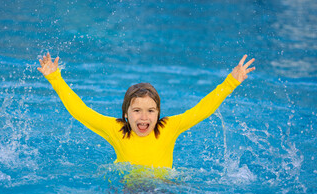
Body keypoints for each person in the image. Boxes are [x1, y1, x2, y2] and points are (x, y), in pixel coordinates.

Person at [38, 53, 255, 168]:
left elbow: (202, 110)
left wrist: (230, 82)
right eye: (137, 111)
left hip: (163, 186)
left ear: (159, 113)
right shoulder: (116, 130)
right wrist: (55, 78)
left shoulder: (170, 127)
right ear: (126, 114)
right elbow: (81, 112)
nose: (144, 117)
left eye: (151, 111)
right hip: (127, 188)